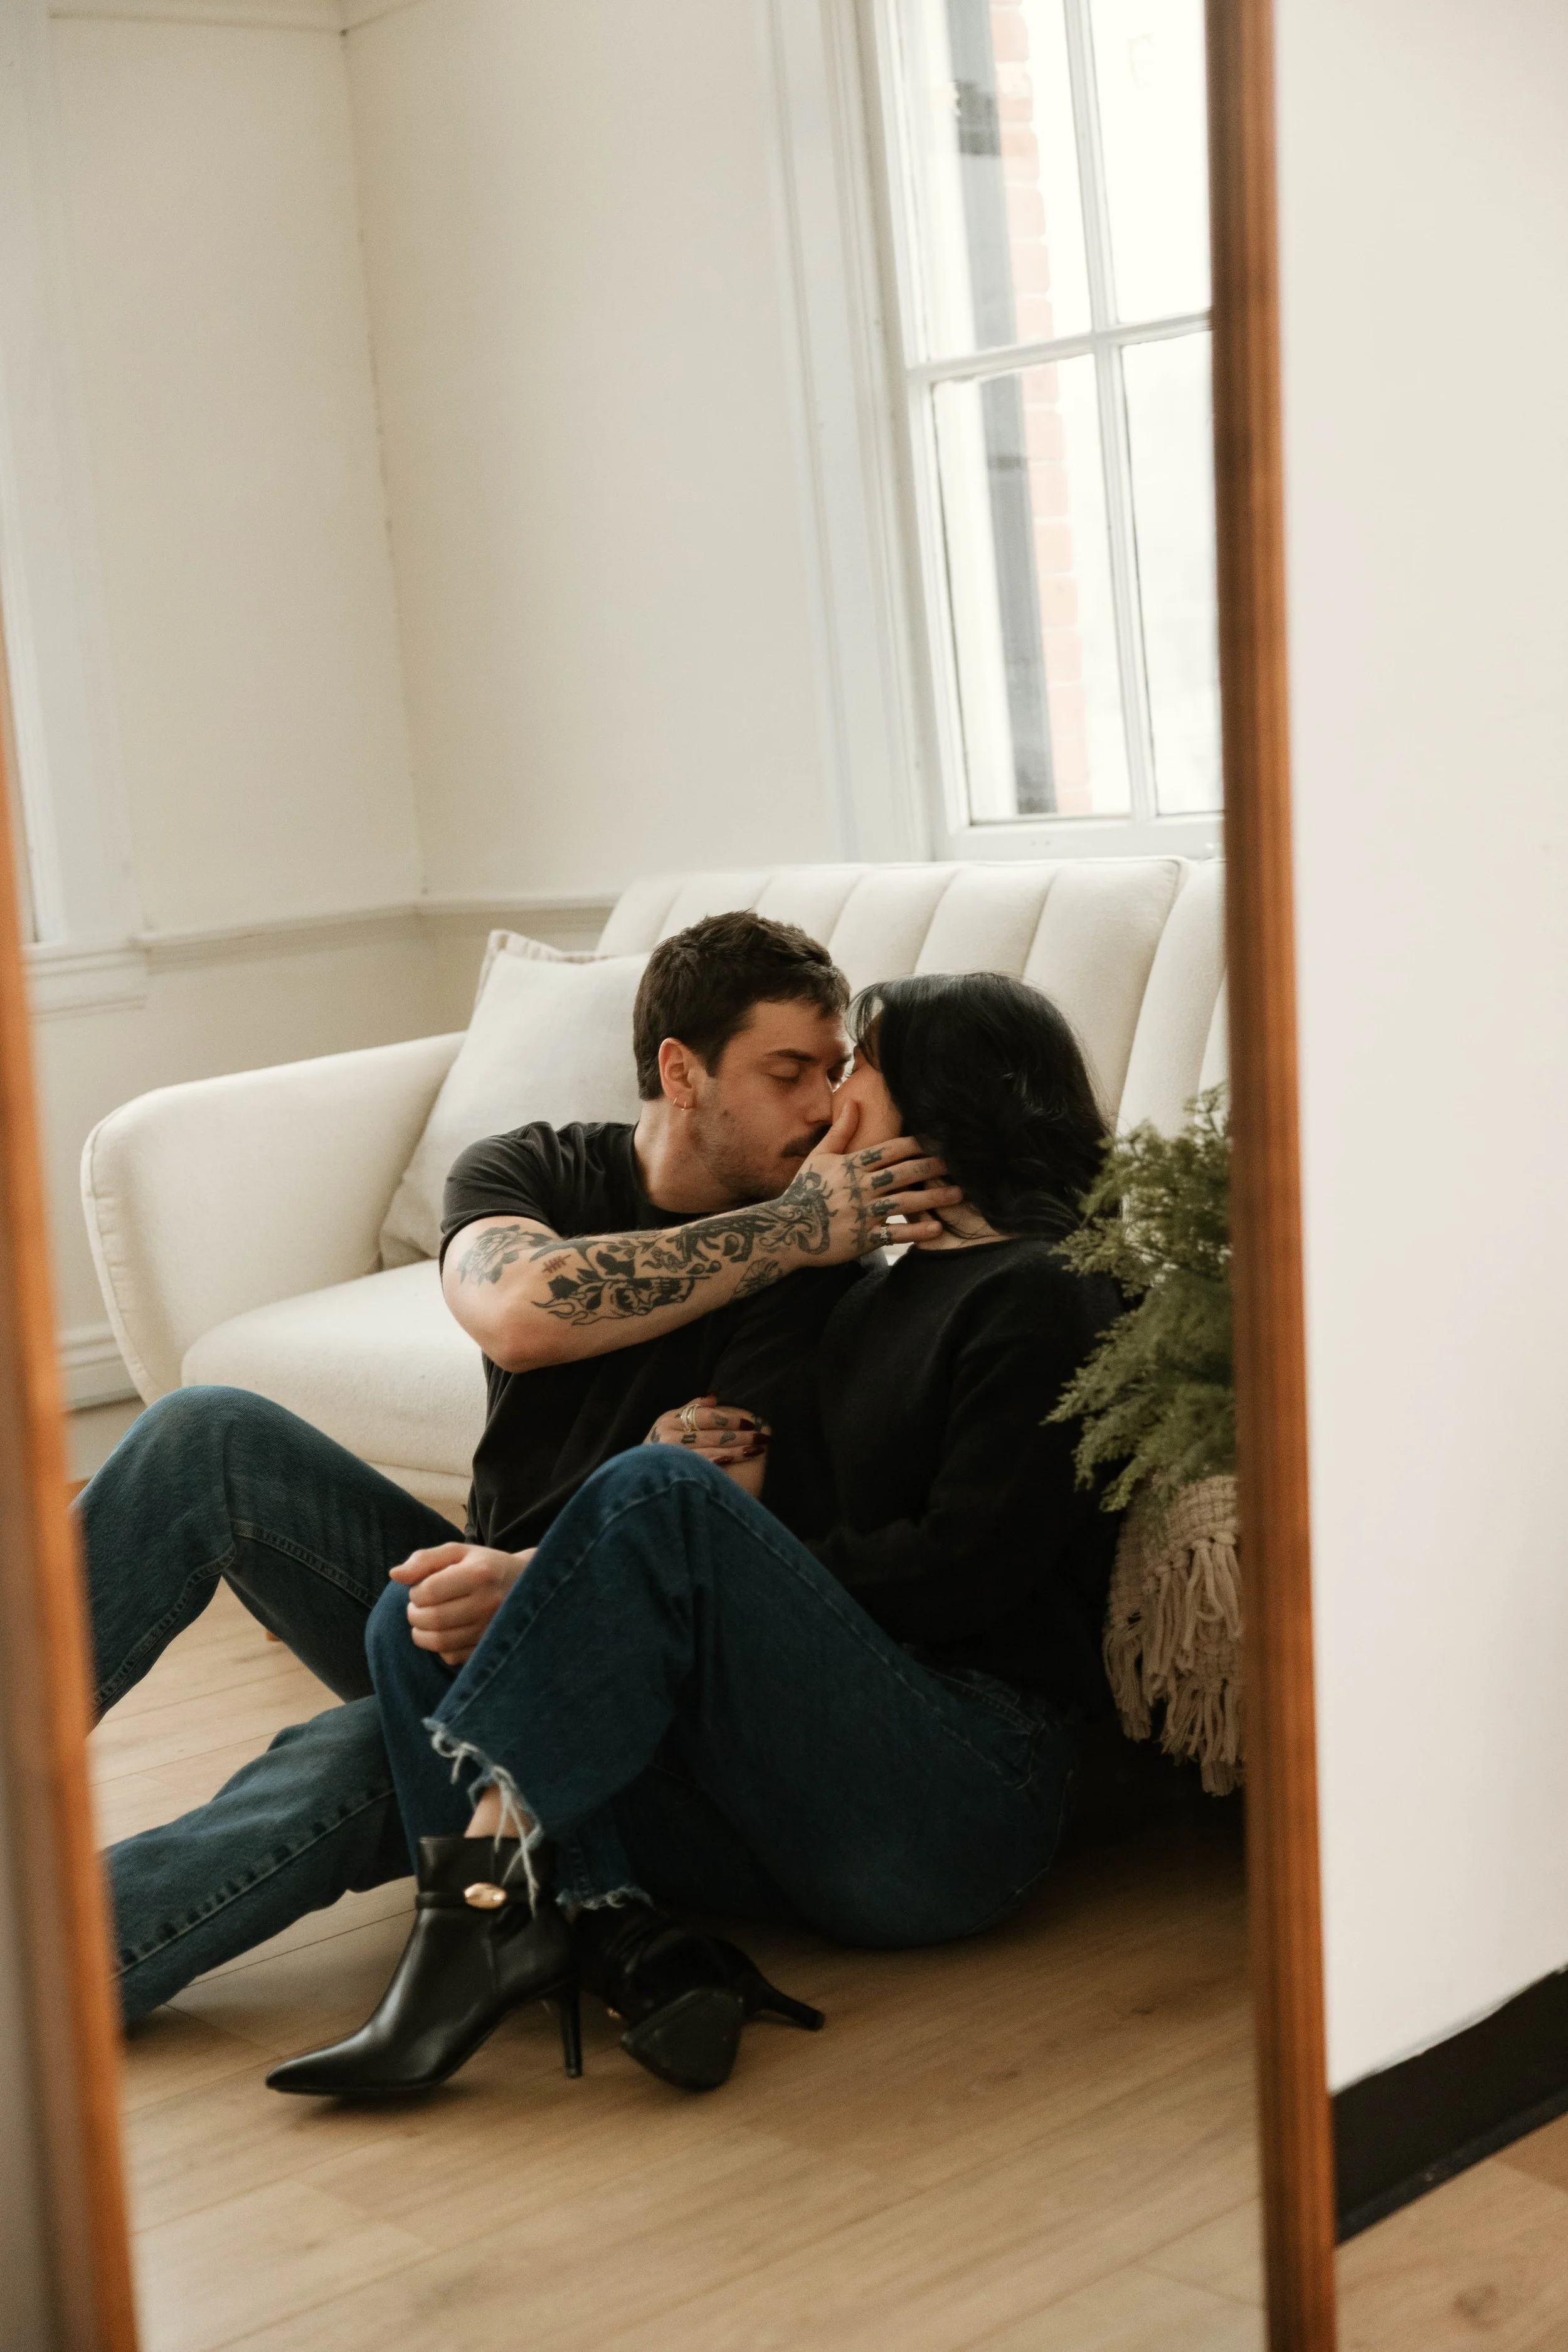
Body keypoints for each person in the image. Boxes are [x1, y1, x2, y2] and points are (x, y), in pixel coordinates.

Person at [81, 913, 959, 2022]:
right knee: (202, 1432)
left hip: (615, 1673)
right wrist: (784, 1231)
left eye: (834, 1075)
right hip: (466, 1595)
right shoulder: (536, 1165)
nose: (824, 1109)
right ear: (681, 1072)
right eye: (789, 1073)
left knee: (360, 1759)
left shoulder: (830, 1279)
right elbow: (520, 1311)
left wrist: (535, 1587)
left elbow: (713, 1517)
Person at [268, 970, 1126, 2103]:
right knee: (417, 1611)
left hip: (964, 1798)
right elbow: (784, 1515)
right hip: (812, 1804)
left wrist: (728, 1547)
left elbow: (966, 1573)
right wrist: (726, 1521)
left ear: (939, 1095)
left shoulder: (1045, 1290)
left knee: (655, 1489)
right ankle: (590, 1920)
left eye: (854, 1063)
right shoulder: (868, 1290)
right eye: (812, 1070)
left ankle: (485, 1919)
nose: (830, 1095)